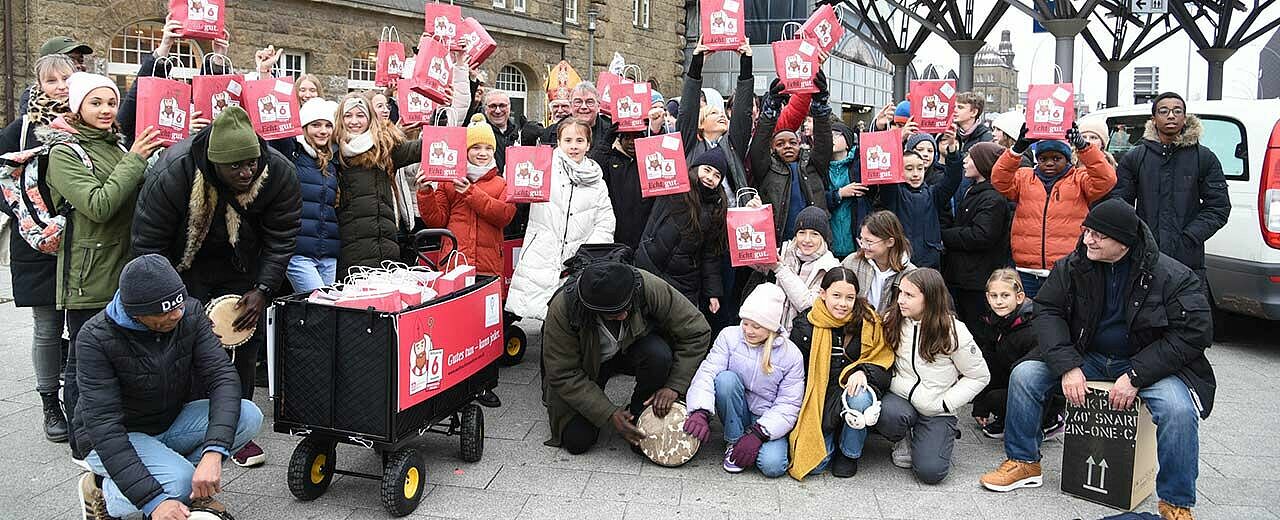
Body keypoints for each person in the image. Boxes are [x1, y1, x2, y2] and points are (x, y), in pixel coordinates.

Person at [980, 200, 1214, 520]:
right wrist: (1067, 365)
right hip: (1086, 355)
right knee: (1026, 375)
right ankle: (1024, 461)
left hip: (1147, 363)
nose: (1087, 239)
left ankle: (1175, 503)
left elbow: (1194, 333)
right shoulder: (1073, 266)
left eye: (1098, 235)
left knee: (1179, 410)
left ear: (1123, 241)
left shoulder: (1173, 275)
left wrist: (1136, 375)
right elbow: (1047, 311)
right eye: (1087, 231)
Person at [132, 106, 301, 468]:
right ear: (214, 162)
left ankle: (236, 431)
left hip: (245, 265)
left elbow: (283, 236)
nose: (246, 172)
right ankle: (188, 428)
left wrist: (264, 288)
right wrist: (175, 301)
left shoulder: (278, 171)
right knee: (187, 346)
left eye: (251, 163)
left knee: (244, 344)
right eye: (235, 167)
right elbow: (148, 244)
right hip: (183, 265)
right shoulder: (173, 170)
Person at [74, 254, 262, 520]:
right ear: (136, 314)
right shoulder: (95, 338)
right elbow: (104, 427)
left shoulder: (190, 313)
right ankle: (103, 493)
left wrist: (214, 451)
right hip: (115, 436)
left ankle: (187, 490)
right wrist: (153, 501)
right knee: (178, 483)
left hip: (168, 421)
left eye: (179, 304)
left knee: (248, 415)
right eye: (164, 311)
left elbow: (222, 377)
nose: (177, 314)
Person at [48, 72, 165, 464]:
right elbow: (98, 205)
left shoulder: (115, 144)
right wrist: (135, 159)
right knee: (85, 363)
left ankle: (115, 434)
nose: (105, 110)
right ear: (77, 105)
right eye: (95, 102)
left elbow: (141, 191)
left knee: (117, 359)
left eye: (111, 102)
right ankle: (83, 445)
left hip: (124, 268)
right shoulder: (64, 152)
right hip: (89, 275)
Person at [540, 261, 712, 454]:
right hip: (587, 366)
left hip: (631, 349)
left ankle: (640, 409)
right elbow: (563, 373)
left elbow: (697, 330)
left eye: (627, 308)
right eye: (614, 314)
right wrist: (609, 413)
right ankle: (613, 415)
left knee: (658, 355)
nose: (623, 316)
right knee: (577, 440)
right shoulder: (563, 308)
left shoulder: (645, 285)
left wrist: (674, 385)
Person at [0, 54, 76, 442]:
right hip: (36, 244)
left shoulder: (87, 120)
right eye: (52, 80)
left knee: (83, 327)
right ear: (38, 85)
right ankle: (50, 403)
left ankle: (83, 400)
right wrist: (31, 216)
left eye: (66, 78)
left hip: (82, 241)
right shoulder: (22, 129)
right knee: (48, 327)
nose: (60, 86)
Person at [878, 268, 989, 484]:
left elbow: (979, 376)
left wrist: (946, 403)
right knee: (887, 415)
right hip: (900, 399)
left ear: (929, 298)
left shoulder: (954, 330)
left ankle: (935, 437)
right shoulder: (893, 319)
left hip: (936, 407)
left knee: (931, 472)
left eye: (909, 295)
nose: (900, 300)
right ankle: (903, 438)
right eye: (900, 293)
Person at [1113, 92, 1231, 293]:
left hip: (1188, 258)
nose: (1171, 116)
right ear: (1153, 119)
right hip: (1145, 255)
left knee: (1189, 309)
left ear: (1185, 118)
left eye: (1177, 111)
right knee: (1145, 309)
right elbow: (1120, 204)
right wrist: (1138, 235)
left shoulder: (1204, 157)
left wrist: (1190, 236)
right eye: (1164, 111)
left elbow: (1219, 207)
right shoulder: (1135, 157)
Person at [682, 283, 804, 477]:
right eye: (745, 323)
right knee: (725, 380)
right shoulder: (729, 336)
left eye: (756, 326)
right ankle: (734, 440)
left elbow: (789, 403)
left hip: (767, 415)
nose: (748, 331)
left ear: (771, 327)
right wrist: (700, 410)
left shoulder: (791, 355)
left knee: (773, 466)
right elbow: (708, 372)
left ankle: (754, 442)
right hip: (737, 409)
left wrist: (759, 434)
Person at [787, 267, 893, 479]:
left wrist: (863, 371)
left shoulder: (869, 321)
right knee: (815, 466)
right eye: (836, 295)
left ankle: (849, 453)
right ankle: (833, 436)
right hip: (819, 398)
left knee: (861, 395)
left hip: (848, 393)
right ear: (823, 293)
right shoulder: (805, 324)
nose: (843, 303)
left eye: (849, 298)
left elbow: (883, 363)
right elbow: (792, 373)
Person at [506, 119, 615, 321]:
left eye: (580, 140)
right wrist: (521, 152)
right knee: (545, 317)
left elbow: (605, 221)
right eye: (568, 140)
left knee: (568, 319)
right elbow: (513, 179)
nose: (574, 146)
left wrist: (588, 251)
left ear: (588, 144)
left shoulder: (597, 182)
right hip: (542, 254)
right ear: (559, 142)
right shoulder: (543, 167)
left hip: (577, 262)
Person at [992, 124, 1116, 297]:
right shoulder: (1024, 177)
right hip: (1027, 270)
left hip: (1067, 268)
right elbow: (999, 179)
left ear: (1067, 159)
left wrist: (1083, 147)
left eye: (1057, 158)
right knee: (1028, 313)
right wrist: (1016, 150)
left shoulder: (1079, 179)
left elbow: (1107, 179)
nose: (1049, 163)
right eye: (1043, 159)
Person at [416, 113, 516, 278]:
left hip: (487, 267)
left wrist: (470, 192)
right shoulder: (448, 181)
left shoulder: (502, 183)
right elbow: (436, 221)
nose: (483, 153)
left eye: (488, 148)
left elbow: (504, 216)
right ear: (465, 150)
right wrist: (425, 192)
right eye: (476, 148)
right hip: (454, 264)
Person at [331, 93, 422, 274]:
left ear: (369, 118)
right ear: (340, 119)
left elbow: (419, 148)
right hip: (351, 249)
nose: (354, 121)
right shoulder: (332, 152)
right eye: (348, 116)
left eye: (360, 115)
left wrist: (448, 132)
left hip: (385, 244)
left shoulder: (384, 148)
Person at [635, 146, 728, 312]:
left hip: (683, 280)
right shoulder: (673, 187)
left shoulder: (716, 209)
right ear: (695, 168)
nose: (710, 177)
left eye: (717, 176)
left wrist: (712, 293)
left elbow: (710, 255)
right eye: (707, 170)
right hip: (648, 264)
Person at [749, 72, 832, 241]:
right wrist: (771, 107)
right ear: (772, 148)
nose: (787, 146)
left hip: (814, 242)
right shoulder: (767, 168)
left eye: (792, 142)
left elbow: (824, 142)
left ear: (799, 144)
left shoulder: (813, 164)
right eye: (780, 144)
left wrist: (820, 106)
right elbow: (758, 146)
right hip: (779, 240)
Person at [941, 142, 1011, 328]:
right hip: (964, 276)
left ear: (983, 163)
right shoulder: (974, 190)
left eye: (970, 158)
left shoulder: (993, 198)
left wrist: (945, 236)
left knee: (976, 329)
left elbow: (981, 235)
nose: (965, 161)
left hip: (977, 279)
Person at [677, 38, 755, 198]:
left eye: (722, 113)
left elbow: (743, 114)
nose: (721, 115)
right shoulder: (689, 145)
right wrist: (697, 63)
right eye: (713, 113)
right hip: (694, 209)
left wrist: (746, 62)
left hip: (729, 211)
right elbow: (687, 110)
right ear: (700, 124)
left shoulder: (733, 146)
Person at [877, 131, 963, 270]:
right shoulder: (894, 194)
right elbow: (887, 175)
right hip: (900, 261)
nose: (916, 174)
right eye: (909, 169)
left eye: (920, 168)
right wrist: (898, 140)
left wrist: (952, 150)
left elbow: (953, 178)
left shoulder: (934, 194)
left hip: (929, 262)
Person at [747, 206, 841, 333]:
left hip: (802, 334)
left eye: (814, 234)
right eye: (802, 233)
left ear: (823, 237)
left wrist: (779, 269)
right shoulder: (785, 251)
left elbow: (808, 304)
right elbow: (752, 259)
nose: (807, 240)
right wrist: (752, 216)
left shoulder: (830, 267)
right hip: (774, 331)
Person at [969, 269, 1037, 438]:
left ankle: (1047, 420)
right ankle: (1006, 418)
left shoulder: (1032, 327)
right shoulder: (994, 321)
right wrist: (980, 404)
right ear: (987, 297)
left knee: (996, 398)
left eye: (1005, 296)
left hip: (1036, 388)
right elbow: (988, 363)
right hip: (1008, 376)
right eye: (994, 296)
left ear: (1019, 297)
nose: (999, 302)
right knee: (991, 394)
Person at [284, 98, 341, 292]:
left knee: (328, 307)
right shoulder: (293, 155)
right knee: (319, 303)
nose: (323, 131)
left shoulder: (332, 162)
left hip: (328, 253)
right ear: (304, 127)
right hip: (299, 253)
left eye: (328, 125)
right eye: (316, 125)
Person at [841, 211, 916, 315]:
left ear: (890, 242)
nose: (863, 246)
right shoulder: (852, 262)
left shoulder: (910, 273)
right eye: (861, 240)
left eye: (869, 242)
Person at [591, 130, 652, 250]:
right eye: (627, 137)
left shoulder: (650, 162)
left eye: (636, 137)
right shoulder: (612, 160)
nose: (631, 142)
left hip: (646, 236)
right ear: (619, 139)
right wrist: (607, 140)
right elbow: (594, 168)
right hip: (618, 236)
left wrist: (655, 134)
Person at [824, 121, 869, 258]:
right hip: (830, 242)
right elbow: (817, 198)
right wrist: (840, 193)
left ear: (848, 143)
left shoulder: (858, 165)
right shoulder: (821, 167)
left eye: (837, 134)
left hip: (855, 240)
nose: (831, 138)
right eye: (829, 134)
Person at [15, 36, 93, 113]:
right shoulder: (33, 99)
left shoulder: (91, 92)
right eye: (70, 60)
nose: (78, 65)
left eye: (80, 60)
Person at [539, 82, 616, 160]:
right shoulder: (551, 133)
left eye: (589, 102)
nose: (583, 107)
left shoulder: (612, 132)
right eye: (578, 102)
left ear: (598, 106)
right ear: (571, 106)